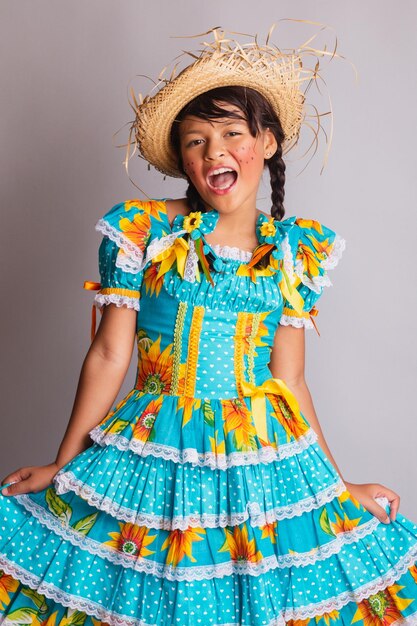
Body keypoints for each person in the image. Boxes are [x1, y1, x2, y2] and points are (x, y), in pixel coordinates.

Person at [1, 23, 417, 626]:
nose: (214, 151)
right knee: (151, 596)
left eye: (231, 134)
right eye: (195, 141)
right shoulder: (140, 232)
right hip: (155, 448)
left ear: (267, 143)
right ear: (183, 160)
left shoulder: (293, 252)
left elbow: (291, 380)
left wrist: (338, 485)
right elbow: (109, 356)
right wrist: (65, 466)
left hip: (262, 457)